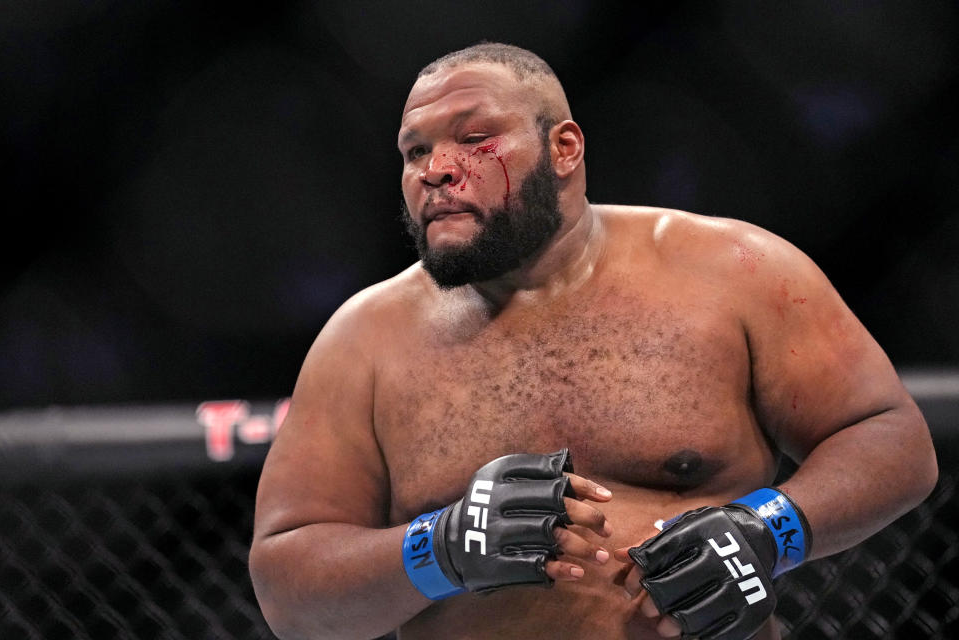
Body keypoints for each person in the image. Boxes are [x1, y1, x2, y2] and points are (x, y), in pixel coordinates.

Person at [248, 42, 938, 640]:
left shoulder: (733, 273)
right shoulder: (365, 341)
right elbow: (288, 591)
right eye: (415, 151)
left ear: (564, 148)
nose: (436, 169)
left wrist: (768, 530)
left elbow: (891, 437)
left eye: (475, 138)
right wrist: (440, 548)